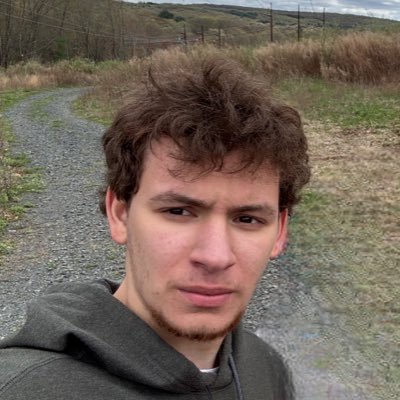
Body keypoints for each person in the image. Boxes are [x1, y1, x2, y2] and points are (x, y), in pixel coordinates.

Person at [0, 53, 310, 399]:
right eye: (179, 211)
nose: (215, 256)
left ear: (280, 231)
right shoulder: (23, 389)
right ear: (120, 213)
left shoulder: (266, 367)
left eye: (247, 219)